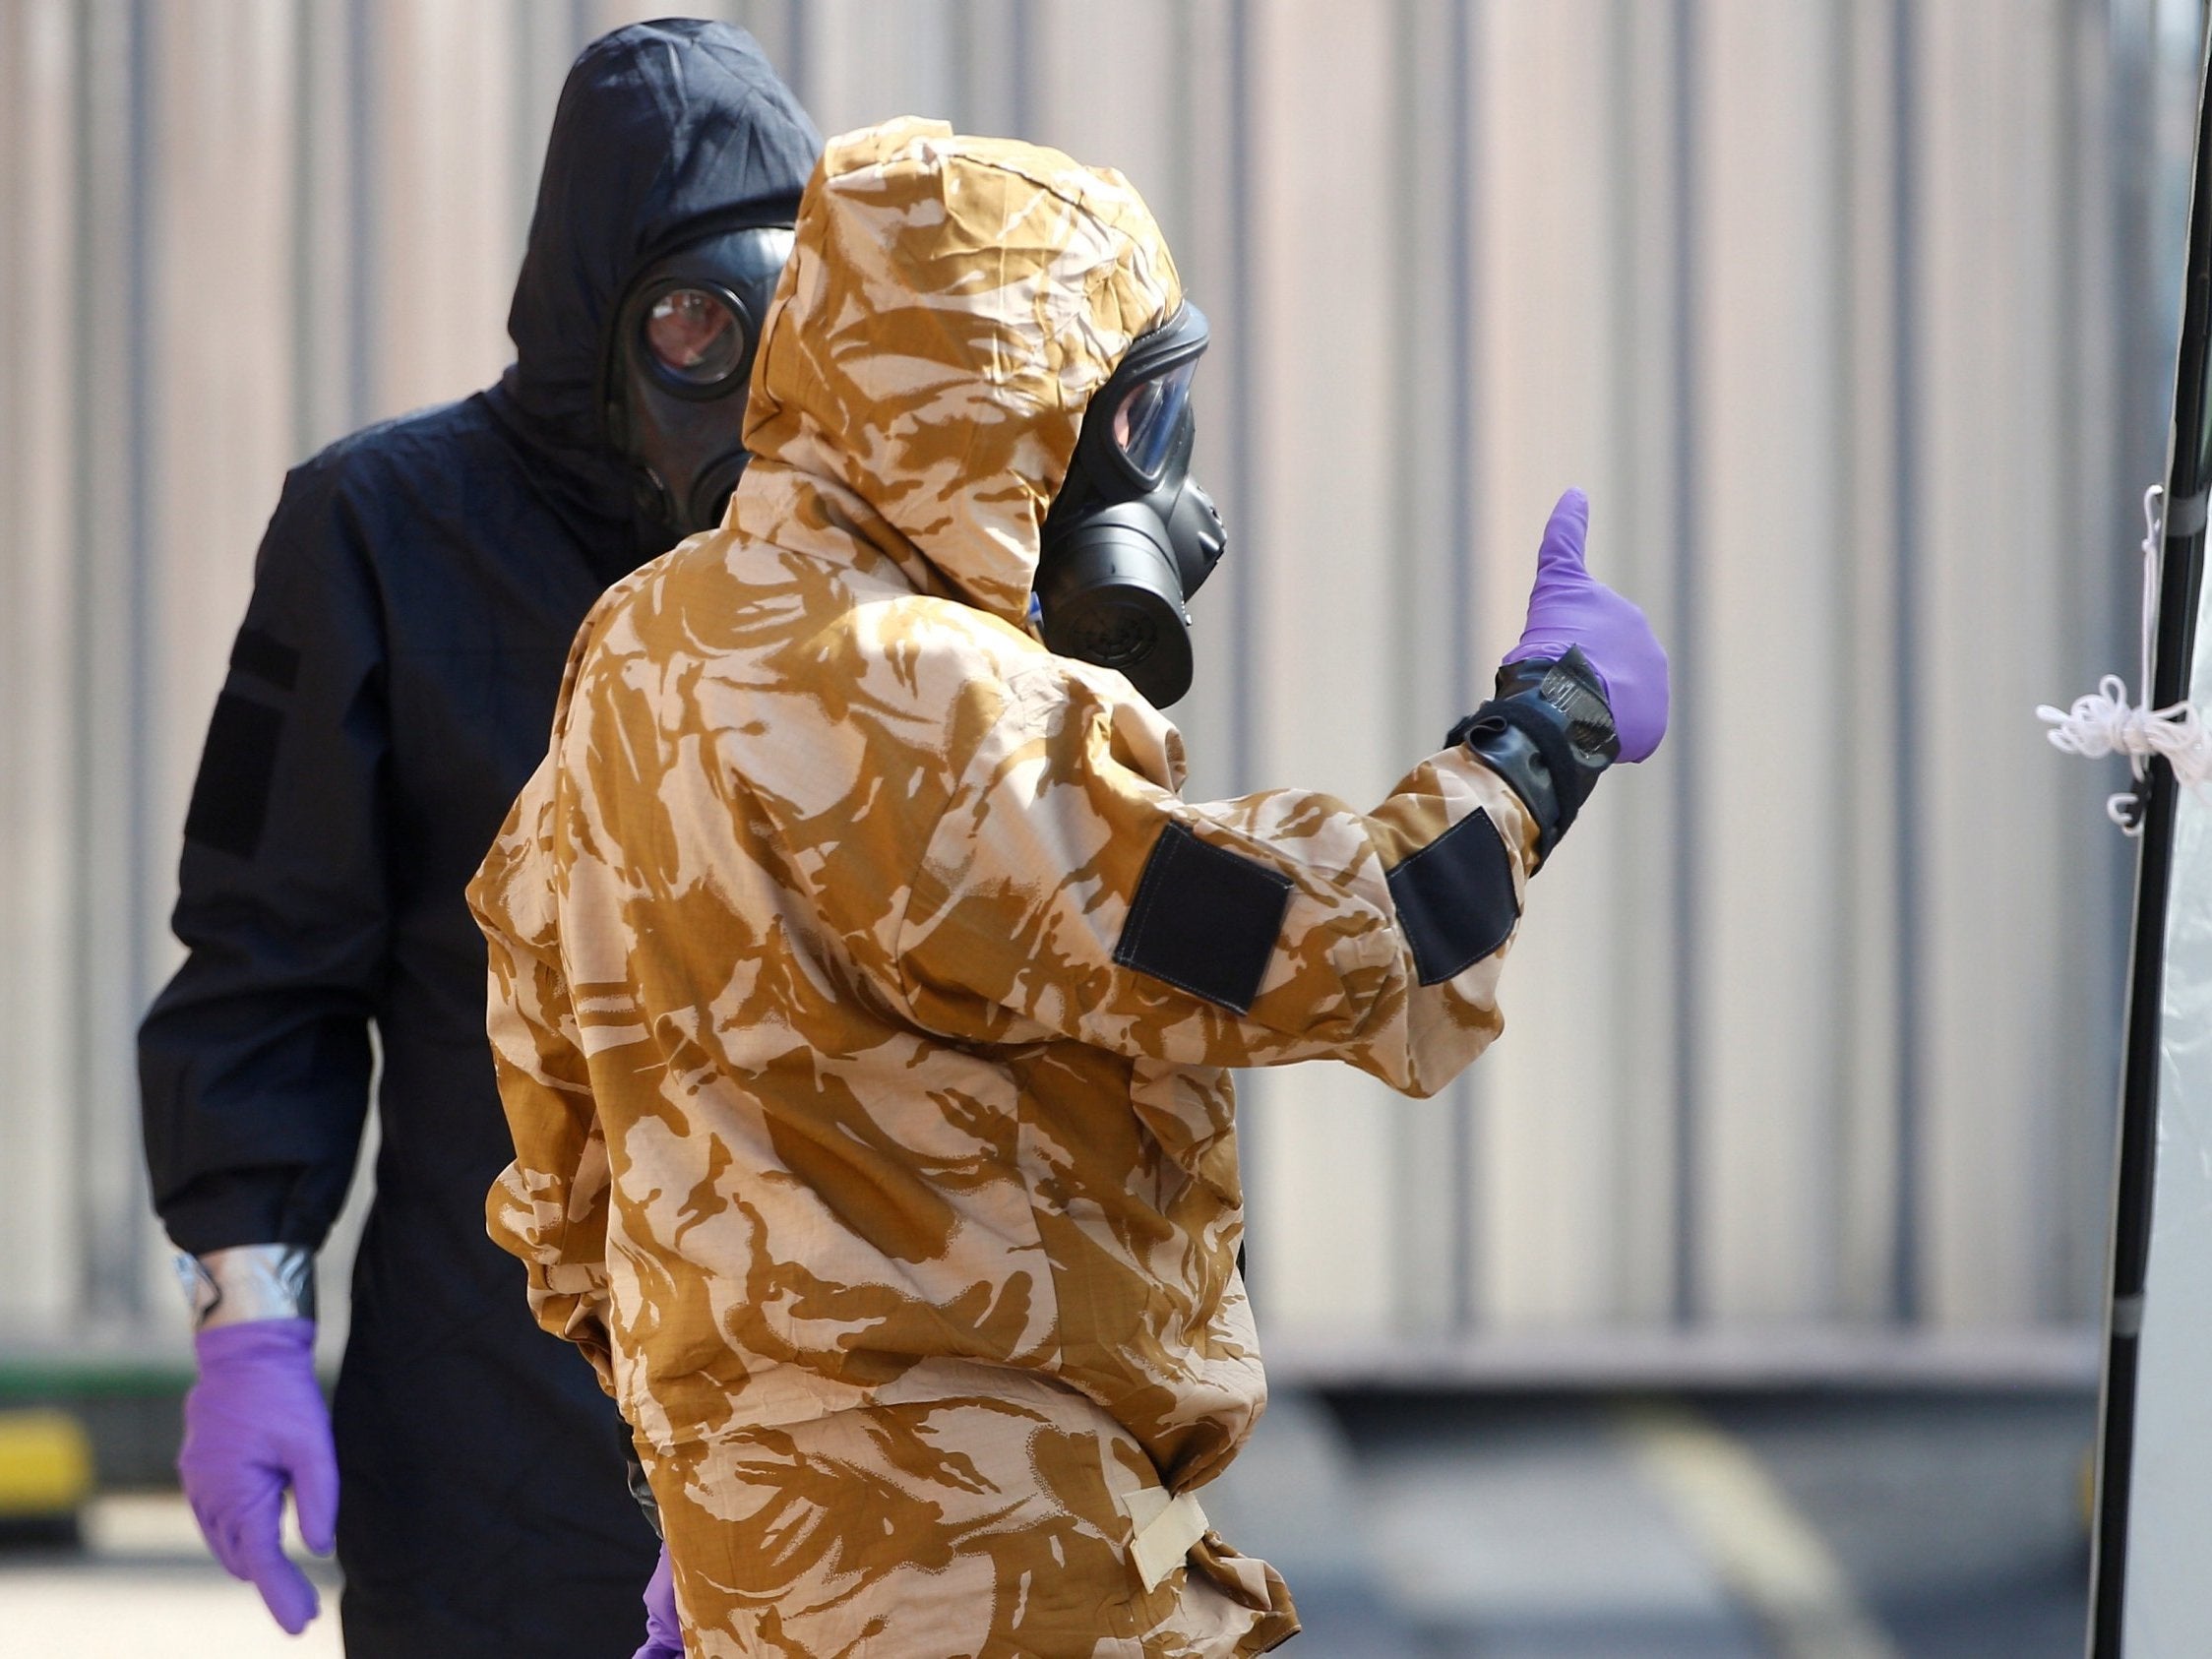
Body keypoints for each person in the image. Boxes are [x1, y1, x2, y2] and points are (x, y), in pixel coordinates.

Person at [471, 118, 1668, 1657]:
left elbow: (556, 1122)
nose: (1167, 485)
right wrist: (1548, 729)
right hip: (1002, 1576)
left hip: (752, 1567)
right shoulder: (941, 702)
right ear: (1010, 409)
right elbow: (1347, 943)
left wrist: (715, 1469)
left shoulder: (638, 645)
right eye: (1143, 422)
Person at [137, 22, 820, 1655]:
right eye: (684, 316)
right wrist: (249, 1324)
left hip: (835, 1440)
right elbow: (260, 973)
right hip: (501, 1451)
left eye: (784, 315)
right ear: (589, 305)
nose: (736, 373)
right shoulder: (381, 532)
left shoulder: (861, 551)